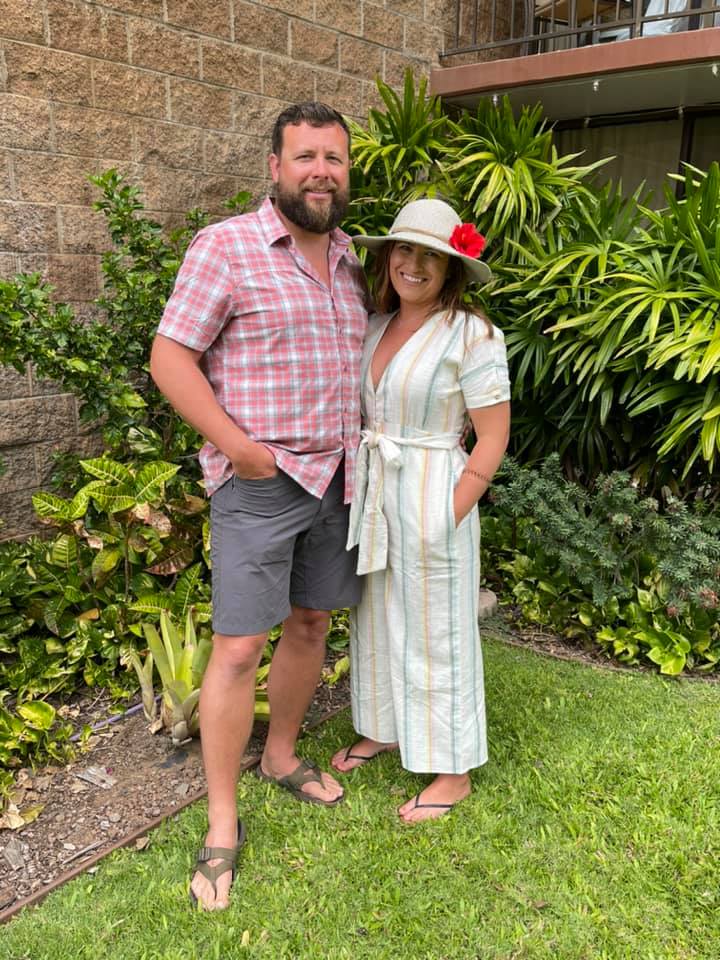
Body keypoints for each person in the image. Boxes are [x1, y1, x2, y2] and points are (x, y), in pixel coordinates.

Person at [150, 102, 369, 910]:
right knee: (240, 649)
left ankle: (279, 755)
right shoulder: (228, 246)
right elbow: (170, 356)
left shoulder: (351, 258)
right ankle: (221, 821)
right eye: (306, 156)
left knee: (311, 624)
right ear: (274, 167)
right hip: (262, 483)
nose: (321, 172)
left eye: (334, 159)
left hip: (338, 478)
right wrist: (239, 449)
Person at [330, 198, 511, 823]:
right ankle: (382, 728)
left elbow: (493, 435)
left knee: (438, 628)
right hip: (378, 489)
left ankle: (453, 770)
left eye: (432, 255)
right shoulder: (375, 326)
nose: (415, 264)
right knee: (376, 613)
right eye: (404, 249)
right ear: (388, 258)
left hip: (435, 488)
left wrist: (451, 511)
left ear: (452, 267)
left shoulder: (474, 335)